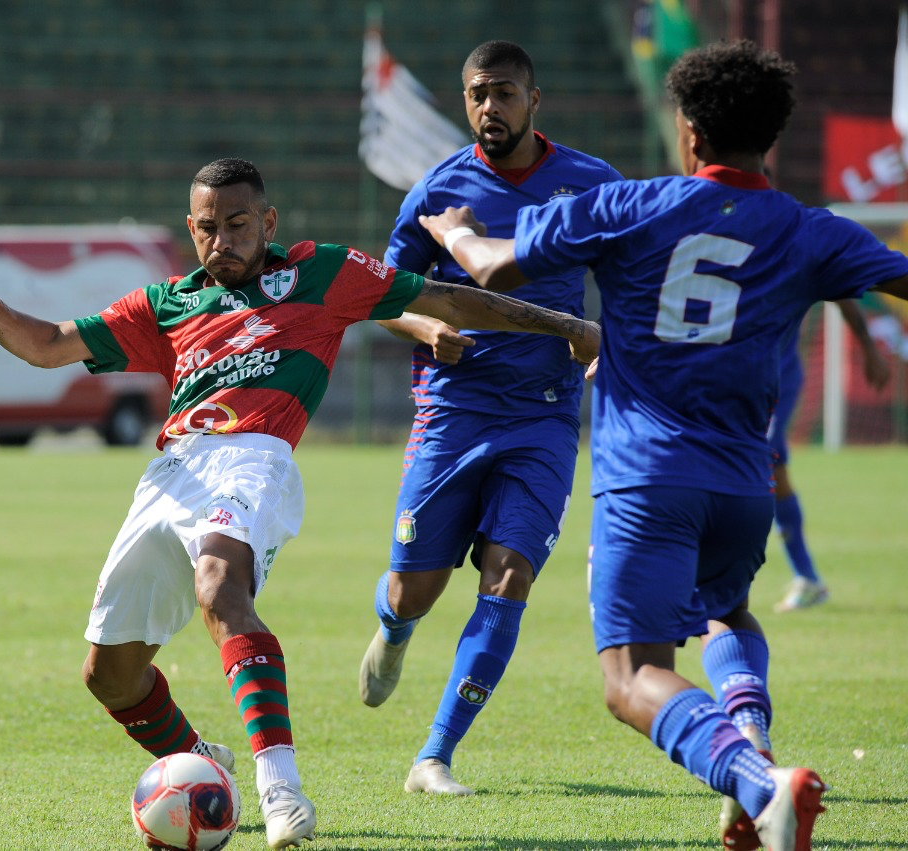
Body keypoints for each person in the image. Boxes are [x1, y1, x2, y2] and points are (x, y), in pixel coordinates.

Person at [0, 158, 599, 850]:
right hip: (170, 473)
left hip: (255, 458)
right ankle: (200, 760)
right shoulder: (166, 303)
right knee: (111, 674)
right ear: (192, 229)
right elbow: (47, 346)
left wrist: (564, 325)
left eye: (239, 224)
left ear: (269, 223)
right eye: (208, 228)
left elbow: (449, 298)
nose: (223, 240)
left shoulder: (321, 274)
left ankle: (282, 790)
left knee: (221, 588)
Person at [416, 41, 908, 851]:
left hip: (648, 480)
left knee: (628, 677)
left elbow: (493, 269)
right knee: (726, 609)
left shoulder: (630, 203)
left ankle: (759, 784)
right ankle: (750, 736)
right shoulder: (812, 231)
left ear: (688, 132)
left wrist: (458, 231)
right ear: (772, 138)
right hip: (747, 487)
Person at [357, 40, 623, 796]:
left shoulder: (590, 183)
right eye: (478, 94)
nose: (489, 108)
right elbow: (382, 295)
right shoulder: (438, 190)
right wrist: (424, 329)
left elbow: (632, 275)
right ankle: (395, 629)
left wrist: (615, 345)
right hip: (454, 411)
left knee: (509, 576)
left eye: (504, 94)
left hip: (544, 419)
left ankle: (434, 756)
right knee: (415, 588)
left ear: (534, 101)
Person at [770, 300, 889, 612]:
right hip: (724, 379)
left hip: (774, 379)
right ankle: (807, 578)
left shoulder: (791, 250)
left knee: (755, 465)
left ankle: (709, 583)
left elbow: (841, 286)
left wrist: (869, 348)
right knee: (774, 473)